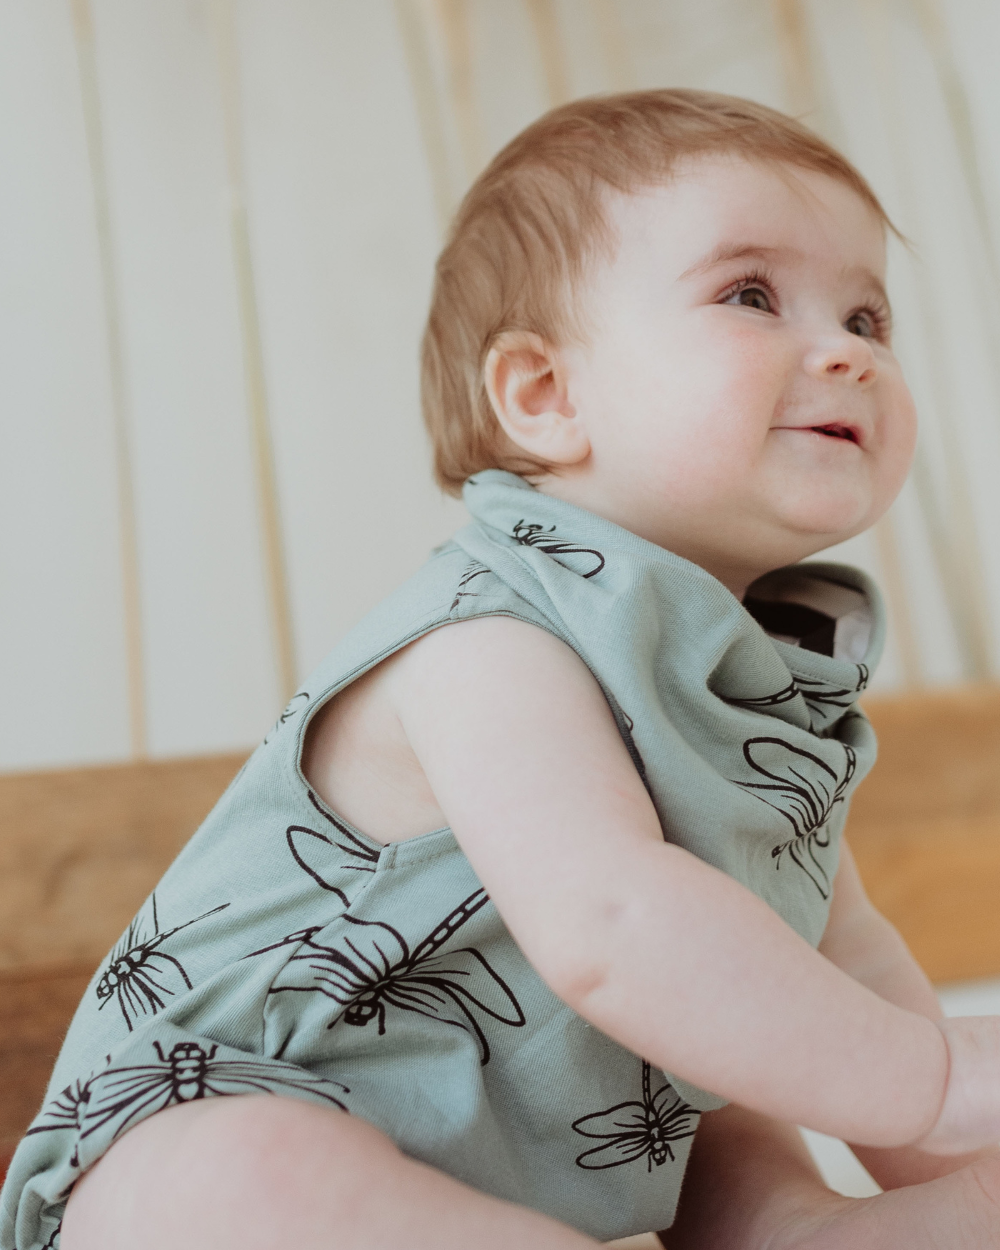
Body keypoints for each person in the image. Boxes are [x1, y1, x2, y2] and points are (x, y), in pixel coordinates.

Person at [5, 89, 1000, 1250]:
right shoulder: (485, 638)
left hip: (534, 1157)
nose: (849, 353)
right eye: (749, 295)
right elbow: (612, 921)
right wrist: (934, 1078)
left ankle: (794, 1227)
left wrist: (959, 1143)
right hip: (219, 1136)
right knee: (240, 1166)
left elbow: (843, 951)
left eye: (869, 316)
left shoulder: (760, 697)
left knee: (730, 1065)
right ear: (545, 396)